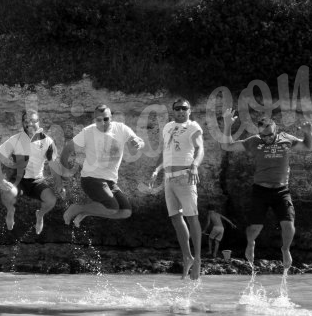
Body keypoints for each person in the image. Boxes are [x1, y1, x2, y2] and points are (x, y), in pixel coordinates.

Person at [221, 109, 312, 274]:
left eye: (270, 135)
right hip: (261, 190)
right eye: (263, 136)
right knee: (254, 228)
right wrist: (228, 125)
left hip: (281, 190)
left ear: (276, 130)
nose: (266, 139)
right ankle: (251, 243)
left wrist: (308, 133)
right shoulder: (254, 141)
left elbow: (308, 146)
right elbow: (227, 146)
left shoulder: (286, 139)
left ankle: (285, 249)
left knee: (288, 224)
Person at [60, 104, 144, 227]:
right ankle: (77, 208)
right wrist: (64, 172)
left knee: (125, 212)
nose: (103, 122)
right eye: (99, 120)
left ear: (111, 118)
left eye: (106, 119)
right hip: (91, 178)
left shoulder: (121, 129)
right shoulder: (88, 132)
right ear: (95, 120)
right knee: (112, 207)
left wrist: (139, 143)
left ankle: (86, 212)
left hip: (110, 181)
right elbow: (67, 149)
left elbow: (139, 141)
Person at [149, 98, 205, 279]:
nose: (181, 111)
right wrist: (156, 170)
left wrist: (195, 165)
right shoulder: (167, 127)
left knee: (192, 217)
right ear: (173, 111)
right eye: (177, 109)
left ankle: (197, 260)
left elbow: (200, 149)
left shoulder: (193, 127)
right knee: (175, 218)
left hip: (185, 177)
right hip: (169, 179)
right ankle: (186, 256)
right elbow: (164, 152)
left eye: (184, 108)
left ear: (190, 110)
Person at [0, 109, 64, 235]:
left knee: (51, 200)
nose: (29, 124)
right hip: (18, 180)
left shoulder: (47, 141)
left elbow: (53, 165)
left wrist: (59, 185)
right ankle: (10, 210)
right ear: (22, 123)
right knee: (7, 193)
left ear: (39, 122)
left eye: (33, 121)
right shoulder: (15, 139)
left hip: (37, 181)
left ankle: (40, 215)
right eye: (26, 121)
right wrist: (1, 179)